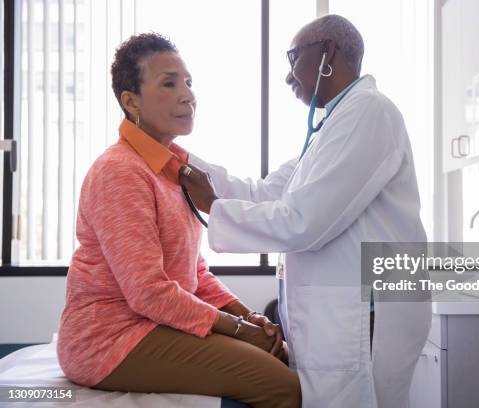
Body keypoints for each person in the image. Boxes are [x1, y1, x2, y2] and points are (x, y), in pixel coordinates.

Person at [179, 15, 432, 408]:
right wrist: (176, 158)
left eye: (293, 57)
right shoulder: (335, 126)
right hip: (338, 317)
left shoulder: (369, 113)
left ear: (327, 52)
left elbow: (305, 221)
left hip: (363, 317)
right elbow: (262, 192)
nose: (287, 76)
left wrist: (213, 206)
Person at [56, 33, 301, 408]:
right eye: (169, 83)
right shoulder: (120, 172)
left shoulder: (173, 169)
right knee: (283, 387)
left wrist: (247, 316)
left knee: (279, 355)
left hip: (153, 325)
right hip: (110, 339)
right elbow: (148, 292)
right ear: (130, 101)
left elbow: (194, 272)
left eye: (188, 82)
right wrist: (239, 330)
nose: (187, 94)